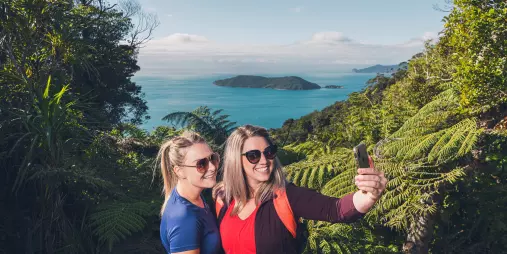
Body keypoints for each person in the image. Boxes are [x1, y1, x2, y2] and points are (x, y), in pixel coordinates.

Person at [213, 125, 387, 254]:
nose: (264, 161)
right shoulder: (223, 199)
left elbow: (336, 209)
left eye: (269, 152)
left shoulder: (285, 196)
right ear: (236, 161)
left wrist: (369, 195)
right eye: (253, 156)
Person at [157, 131, 222, 254]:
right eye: (201, 164)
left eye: (213, 158)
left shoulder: (194, 197)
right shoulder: (184, 218)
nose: (213, 167)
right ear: (179, 171)